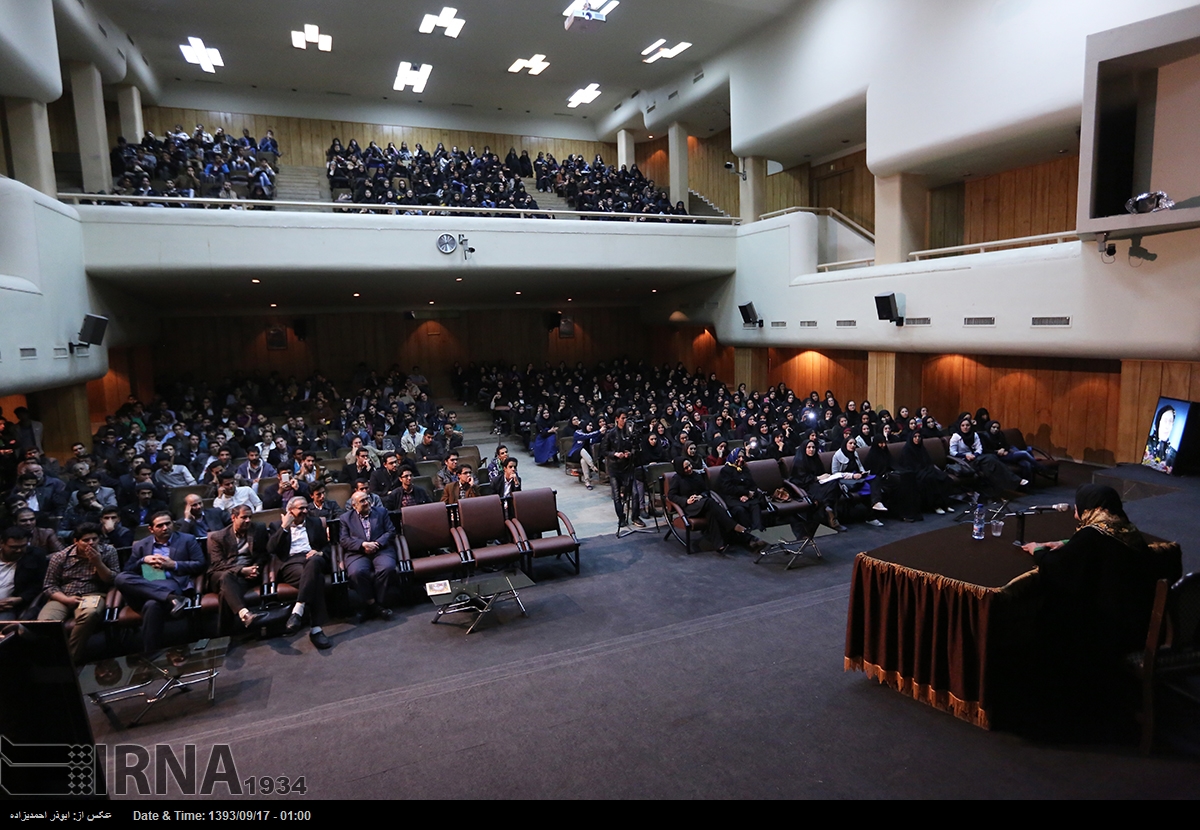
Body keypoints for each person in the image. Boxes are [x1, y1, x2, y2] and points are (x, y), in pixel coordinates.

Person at [1017, 484, 1176, 739]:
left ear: (1091, 510)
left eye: (1078, 509)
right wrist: (1068, 542)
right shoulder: (1126, 529)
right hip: (1138, 622)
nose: (1074, 515)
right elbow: (1097, 548)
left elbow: (1058, 569)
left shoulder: (1092, 537)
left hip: (1109, 633)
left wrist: (1037, 550)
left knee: (1050, 620)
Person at [114, 511, 206, 654]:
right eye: (160, 525)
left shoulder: (187, 539)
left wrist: (174, 565)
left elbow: (200, 564)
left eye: (168, 524)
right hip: (145, 586)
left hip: (171, 582)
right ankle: (172, 599)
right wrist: (143, 560)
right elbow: (128, 570)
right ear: (151, 529)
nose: (165, 528)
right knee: (120, 578)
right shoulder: (141, 546)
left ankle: (150, 653)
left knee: (153, 604)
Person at [37, 523, 119, 663]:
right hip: (63, 596)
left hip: (93, 594)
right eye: (86, 540)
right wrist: (66, 599)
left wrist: (97, 563)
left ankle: (70, 660)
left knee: (90, 614)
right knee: (46, 623)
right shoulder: (60, 556)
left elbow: (112, 580)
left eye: (94, 539)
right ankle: (50, 659)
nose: (91, 543)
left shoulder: (108, 551)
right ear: (76, 541)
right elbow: (49, 585)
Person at [267, 497, 332, 650]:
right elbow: (271, 549)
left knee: (314, 562)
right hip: (291, 563)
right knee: (317, 579)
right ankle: (316, 629)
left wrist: (320, 553)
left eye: (305, 508)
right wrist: (284, 526)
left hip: (313, 558)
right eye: (300, 508)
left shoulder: (315, 523)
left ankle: (298, 609)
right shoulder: (277, 525)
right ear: (290, 511)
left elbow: (327, 546)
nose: (304, 511)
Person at [667, 458, 764, 553]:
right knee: (710, 502)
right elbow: (671, 495)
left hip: (702, 502)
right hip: (690, 506)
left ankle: (719, 545)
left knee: (711, 513)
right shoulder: (677, 479)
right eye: (686, 468)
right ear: (680, 469)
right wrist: (686, 500)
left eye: (689, 465)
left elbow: (705, 490)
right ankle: (733, 525)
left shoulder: (696, 475)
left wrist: (700, 496)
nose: (689, 468)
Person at [206, 504, 269, 630]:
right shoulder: (218, 537)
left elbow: (263, 554)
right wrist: (241, 570)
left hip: (246, 575)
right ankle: (244, 613)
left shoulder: (258, 529)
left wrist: (255, 567)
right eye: (244, 517)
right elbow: (218, 564)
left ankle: (225, 632)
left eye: (250, 517)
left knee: (225, 593)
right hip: (220, 574)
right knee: (226, 576)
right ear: (233, 518)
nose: (248, 521)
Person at [339, 491, 398, 623]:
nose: (367, 503)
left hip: (381, 550)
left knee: (387, 568)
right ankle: (376, 607)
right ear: (354, 506)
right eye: (362, 501)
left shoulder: (381, 512)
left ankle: (374, 604)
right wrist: (363, 544)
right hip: (358, 553)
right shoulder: (345, 518)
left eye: (367, 499)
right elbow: (344, 540)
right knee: (356, 572)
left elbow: (391, 531)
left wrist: (376, 544)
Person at [949, 415, 1026, 490]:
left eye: (967, 425)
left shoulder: (974, 435)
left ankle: (1001, 487)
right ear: (960, 426)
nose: (965, 427)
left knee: (990, 462)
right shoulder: (956, 436)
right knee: (990, 459)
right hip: (964, 461)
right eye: (963, 425)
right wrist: (966, 455)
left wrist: (975, 455)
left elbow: (979, 448)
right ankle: (1015, 481)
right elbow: (952, 452)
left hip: (976, 458)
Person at [789, 439, 845, 531]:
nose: (811, 449)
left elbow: (821, 472)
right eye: (809, 447)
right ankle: (831, 515)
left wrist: (826, 477)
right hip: (805, 487)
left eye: (813, 447)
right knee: (828, 491)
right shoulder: (799, 461)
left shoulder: (816, 459)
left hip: (818, 483)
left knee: (834, 484)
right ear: (804, 449)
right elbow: (799, 479)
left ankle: (828, 509)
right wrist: (817, 478)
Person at [601, 409, 643, 528]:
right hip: (615, 467)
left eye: (626, 418)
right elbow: (604, 450)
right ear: (617, 419)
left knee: (635, 494)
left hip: (628, 466)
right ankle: (621, 518)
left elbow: (635, 447)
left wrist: (630, 453)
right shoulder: (610, 433)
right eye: (623, 418)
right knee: (616, 495)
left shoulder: (630, 433)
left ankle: (635, 516)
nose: (625, 421)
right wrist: (615, 454)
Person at [832, 437, 885, 526]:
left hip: (858, 476)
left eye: (854, 444)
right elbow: (835, 473)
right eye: (850, 443)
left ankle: (877, 502)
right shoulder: (837, 455)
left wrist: (863, 472)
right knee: (869, 489)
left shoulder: (855, 453)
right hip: (848, 480)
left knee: (875, 478)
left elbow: (859, 466)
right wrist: (852, 476)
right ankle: (871, 516)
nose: (853, 446)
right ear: (845, 444)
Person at [897, 431, 952, 515]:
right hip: (916, 472)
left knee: (944, 477)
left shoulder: (921, 448)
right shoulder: (907, 449)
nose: (917, 439)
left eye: (919, 437)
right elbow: (908, 465)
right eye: (915, 437)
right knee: (930, 479)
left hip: (927, 469)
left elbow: (928, 461)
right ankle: (936, 506)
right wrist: (923, 469)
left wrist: (928, 468)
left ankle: (945, 504)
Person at [0, 526, 47, 621]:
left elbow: (39, 584)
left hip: (9, 607)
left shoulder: (35, 556)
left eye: (23, 546)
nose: (19, 550)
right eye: (13, 547)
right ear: (2, 544)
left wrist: (21, 598)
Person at [716, 448, 766, 532]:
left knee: (755, 506)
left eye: (743, 457)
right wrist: (744, 493)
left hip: (748, 498)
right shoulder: (726, 470)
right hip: (733, 498)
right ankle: (748, 535)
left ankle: (758, 532)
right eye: (739, 457)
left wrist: (748, 495)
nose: (741, 459)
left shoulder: (745, 470)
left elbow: (752, 485)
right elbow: (727, 488)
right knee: (740, 510)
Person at [1142, 403, 1179, 473]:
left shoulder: (1173, 454)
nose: (1167, 426)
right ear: (1157, 422)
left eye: (1170, 421)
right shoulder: (1145, 442)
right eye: (1165, 421)